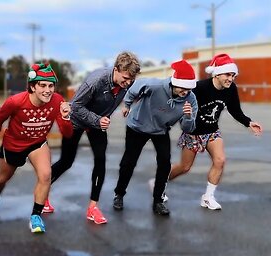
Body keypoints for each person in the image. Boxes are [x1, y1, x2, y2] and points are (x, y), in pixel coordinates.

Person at [49, 52, 141, 224]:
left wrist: (128, 107)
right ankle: (42, 191)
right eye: (126, 78)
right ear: (116, 69)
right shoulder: (95, 81)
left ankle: (93, 207)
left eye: (131, 79)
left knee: (100, 160)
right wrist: (97, 119)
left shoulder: (129, 83)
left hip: (98, 123)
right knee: (66, 161)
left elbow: (135, 93)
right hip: (77, 121)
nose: (128, 82)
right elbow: (75, 106)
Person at [163, 54, 263, 210]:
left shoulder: (231, 90)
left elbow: (235, 110)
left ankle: (208, 197)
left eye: (233, 75)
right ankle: (159, 182)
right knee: (184, 167)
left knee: (220, 160)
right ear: (217, 73)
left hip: (212, 132)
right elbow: (180, 104)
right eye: (228, 74)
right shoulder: (199, 88)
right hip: (193, 133)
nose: (231, 79)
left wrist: (248, 122)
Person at [0, 62, 73, 233]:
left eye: (51, 85)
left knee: (46, 175)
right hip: (14, 144)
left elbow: (67, 133)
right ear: (32, 86)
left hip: (37, 143)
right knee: (3, 178)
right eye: (43, 85)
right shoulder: (15, 102)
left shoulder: (57, 101)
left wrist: (66, 117)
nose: (48, 90)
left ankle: (35, 216)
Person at [112, 59, 198, 216]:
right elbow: (134, 88)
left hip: (160, 130)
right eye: (183, 88)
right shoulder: (155, 85)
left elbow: (188, 129)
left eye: (189, 89)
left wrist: (188, 116)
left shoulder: (190, 100)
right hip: (138, 126)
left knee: (165, 164)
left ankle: (158, 201)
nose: (186, 92)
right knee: (129, 162)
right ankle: (119, 194)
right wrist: (127, 104)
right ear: (175, 82)